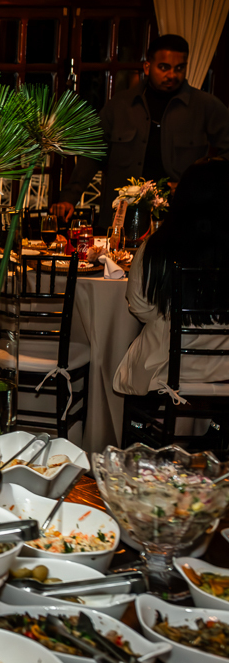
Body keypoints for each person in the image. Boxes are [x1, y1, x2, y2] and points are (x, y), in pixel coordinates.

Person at [52, 34, 229, 230]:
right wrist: (69, 197)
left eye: (179, 68)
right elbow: (92, 154)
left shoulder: (205, 106)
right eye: (164, 67)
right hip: (122, 220)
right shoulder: (120, 106)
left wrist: (198, 180)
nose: (172, 75)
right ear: (147, 67)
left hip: (182, 220)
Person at [113, 158, 229, 399]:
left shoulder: (158, 247)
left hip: (166, 369)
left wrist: (168, 316)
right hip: (224, 369)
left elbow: (139, 306)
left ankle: (154, 428)